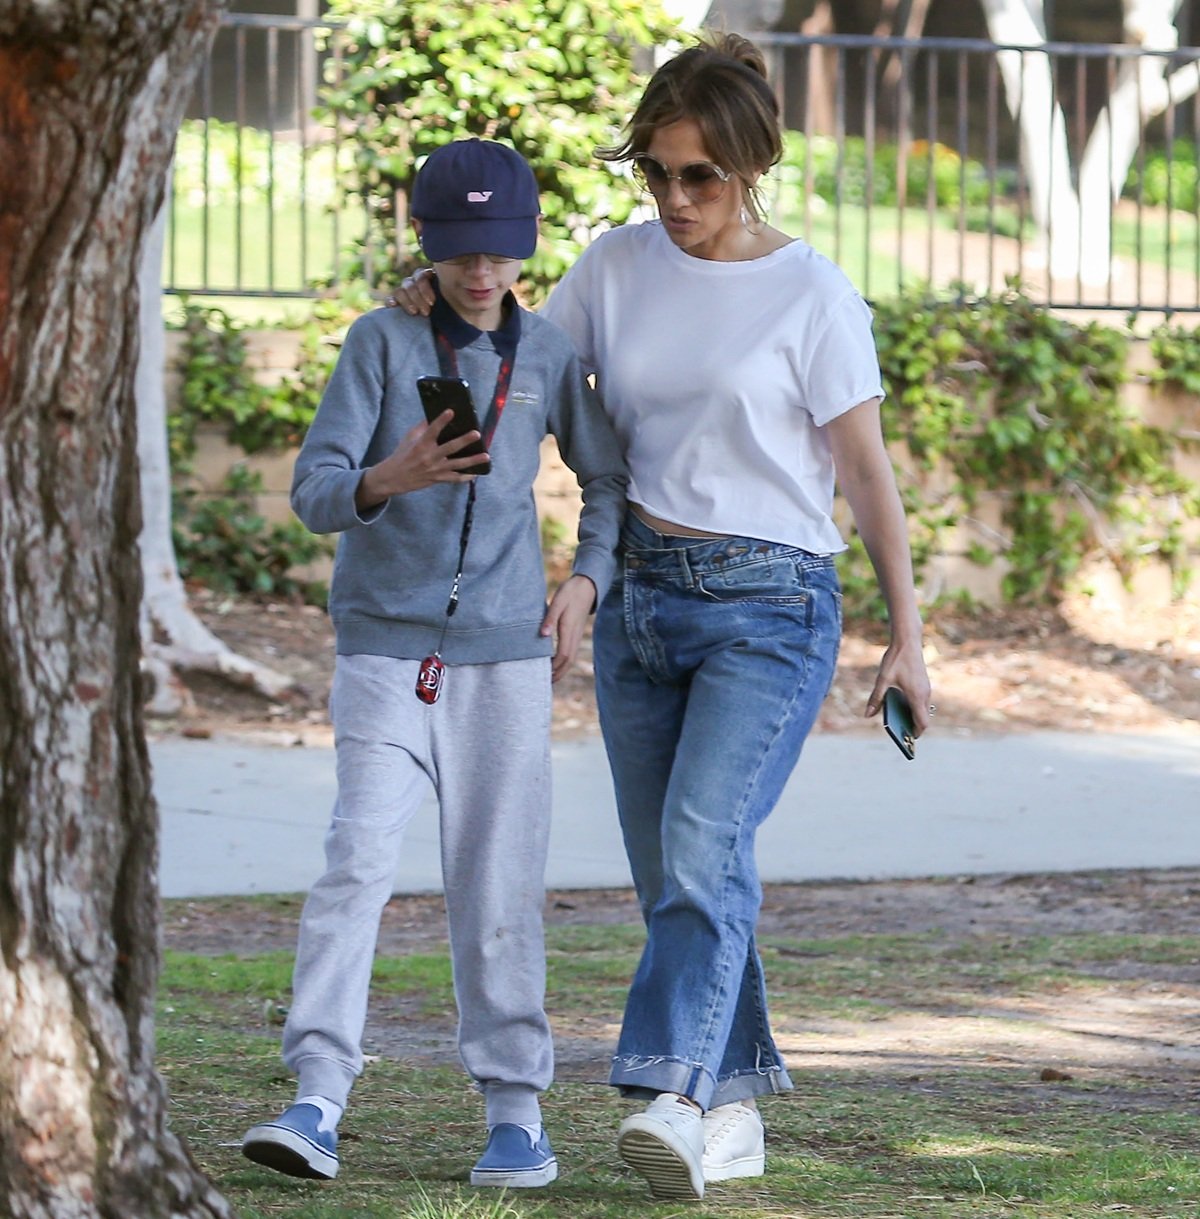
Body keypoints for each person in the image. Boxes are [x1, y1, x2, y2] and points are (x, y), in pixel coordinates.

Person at [391, 32, 932, 1202]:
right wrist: (435, 298)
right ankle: (731, 1107)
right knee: (681, 874)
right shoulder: (617, 265)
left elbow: (869, 476)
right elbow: (517, 351)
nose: (676, 199)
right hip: (639, 601)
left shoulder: (811, 292)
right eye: (658, 172)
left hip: (770, 606)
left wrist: (909, 636)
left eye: (701, 176)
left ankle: (671, 1094)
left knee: (701, 852)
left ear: (751, 168)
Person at [240, 138, 627, 1189]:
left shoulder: (546, 355)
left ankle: (516, 1114)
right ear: (428, 242)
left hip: (505, 660)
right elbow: (314, 490)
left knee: (496, 881)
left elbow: (608, 485)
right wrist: (386, 475)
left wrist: (586, 581)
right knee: (356, 863)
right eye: (460, 249)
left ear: (523, 249)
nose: (479, 271)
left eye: (497, 251)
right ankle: (316, 1098)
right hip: (383, 649)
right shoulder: (378, 342)